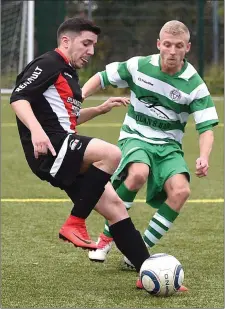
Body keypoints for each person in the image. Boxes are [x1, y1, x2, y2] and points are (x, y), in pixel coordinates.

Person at [82, 20, 218, 289]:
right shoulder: (139, 66)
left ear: (187, 48)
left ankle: (139, 250)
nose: (171, 51)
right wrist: (79, 96)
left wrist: (204, 156)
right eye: (167, 44)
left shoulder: (194, 84)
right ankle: (107, 239)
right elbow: (103, 77)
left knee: (181, 191)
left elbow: (207, 127)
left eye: (178, 46)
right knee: (138, 174)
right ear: (158, 44)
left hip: (168, 147)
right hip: (136, 137)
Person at [10, 17, 151, 276]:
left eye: (93, 45)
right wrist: (37, 131)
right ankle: (75, 222)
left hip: (63, 146)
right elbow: (18, 98)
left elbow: (68, 119)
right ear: (66, 40)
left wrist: (99, 109)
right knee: (111, 154)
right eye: (86, 44)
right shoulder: (49, 63)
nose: (91, 51)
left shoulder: (69, 74)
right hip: (50, 146)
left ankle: (147, 271)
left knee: (116, 208)